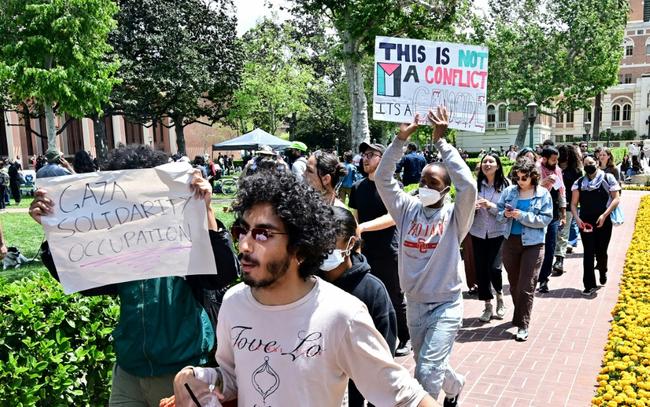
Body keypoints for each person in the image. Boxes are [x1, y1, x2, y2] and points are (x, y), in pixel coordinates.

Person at [164, 168, 436, 407]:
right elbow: (235, 377)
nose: (244, 246)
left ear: (300, 247)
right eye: (242, 231)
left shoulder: (342, 315)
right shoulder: (234, 304)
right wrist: (199, 378)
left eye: (263, 234)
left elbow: (405, 397)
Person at [29, 144, 239, 406]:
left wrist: (206, 211)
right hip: (128, 372)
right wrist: (53, 231)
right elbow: (85, 282)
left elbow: (224, 273)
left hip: (183, 369)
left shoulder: (181, 235)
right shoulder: (119, 245)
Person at [375, 106, 476, 406]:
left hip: (446, 303)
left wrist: (442, 143)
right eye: (422, 181)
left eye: (433, 183)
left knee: (426, 371)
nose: (425, 186)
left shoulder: (456, 216)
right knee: (430, 363)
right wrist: (400, 140)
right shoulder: (406, 209)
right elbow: (383, 179)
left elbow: (468, 185)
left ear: (446, 190)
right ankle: (455, 385)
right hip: (415, 303)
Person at [320, 206, 397, 407]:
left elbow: (383, 355)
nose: (321, 248)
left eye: (328, 241)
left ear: (350, 243)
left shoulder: (372, 291)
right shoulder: (307, 284)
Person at [348, 142, 411, 358]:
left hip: (388, 249)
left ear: (383, 159)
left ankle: (405, 336)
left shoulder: (393, 187)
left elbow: (393, 217)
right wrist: (354, 242)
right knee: (367, 296)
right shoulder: (357, 187)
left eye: (371, 154)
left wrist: (363, 228)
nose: (365, 158)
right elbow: (355, 216)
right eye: (363, 154)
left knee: (394, 296)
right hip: (364, 251)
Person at [496, 158, 552, 341]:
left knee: (526, 285)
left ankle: (522, 324)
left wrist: (522, 216)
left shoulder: (543, 194)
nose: (520, 181)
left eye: (524, 177)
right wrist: (505, 214)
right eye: (517, 177)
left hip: (534, 244)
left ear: (533, 177)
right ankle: (520, 314)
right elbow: (498, 214)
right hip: (510, 241)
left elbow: (545, 219)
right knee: (514, 285)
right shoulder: (509, 192)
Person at [571, 154, 620, 296]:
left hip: (603, 221)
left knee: (601, 251)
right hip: (586, 223)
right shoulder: (579, 183)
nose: (588, 165)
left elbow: (616, 198)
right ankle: (589, 285)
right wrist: (577, 218)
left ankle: (603, 269)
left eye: (591, 162)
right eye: (585, 163)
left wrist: (605, 215)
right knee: (588, 252)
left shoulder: (607, 178)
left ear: (597, 163)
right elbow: (573, 204)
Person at [469, 152, 510, 322]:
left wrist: (491, 206)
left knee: (494, 268)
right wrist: (473, 208)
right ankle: (487, 305)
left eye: (491, 161)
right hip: (477, 232)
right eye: (484, 161)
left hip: (498, 232)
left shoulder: (506, 186)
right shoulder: (475, 185)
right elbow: (464, 206)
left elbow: (507, 212)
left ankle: (500, 297)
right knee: (481, 270)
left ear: (498, 166)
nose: (487, 164)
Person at [535, 147, 566, 293]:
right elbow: (529, 189)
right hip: (536, 215)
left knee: (550, 247)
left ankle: (544, 280)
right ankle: (533, 276)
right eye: (553, 160)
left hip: (553, 216)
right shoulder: (536, 170)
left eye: (557, 159)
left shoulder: (557, 171)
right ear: (545, 159)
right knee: (535, 248)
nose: (556, 162)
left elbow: (561, 194)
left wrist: (563, 214)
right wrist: (544, 182)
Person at [553, 144, 583, 275]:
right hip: (552, 206)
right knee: (552, 234)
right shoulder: (552, 169)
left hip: (569, 206)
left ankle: (559, 259)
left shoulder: (575, 171)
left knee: (563, 233)